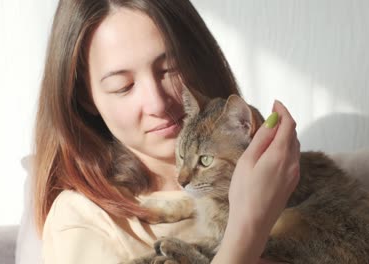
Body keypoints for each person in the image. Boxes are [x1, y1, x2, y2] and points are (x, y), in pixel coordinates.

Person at [33, 0, 301, 263]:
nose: (157, 104)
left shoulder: (283, 180)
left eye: (169, 69)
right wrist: (248, 228)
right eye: (123, 86)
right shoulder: (80, 221)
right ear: (85, 98)